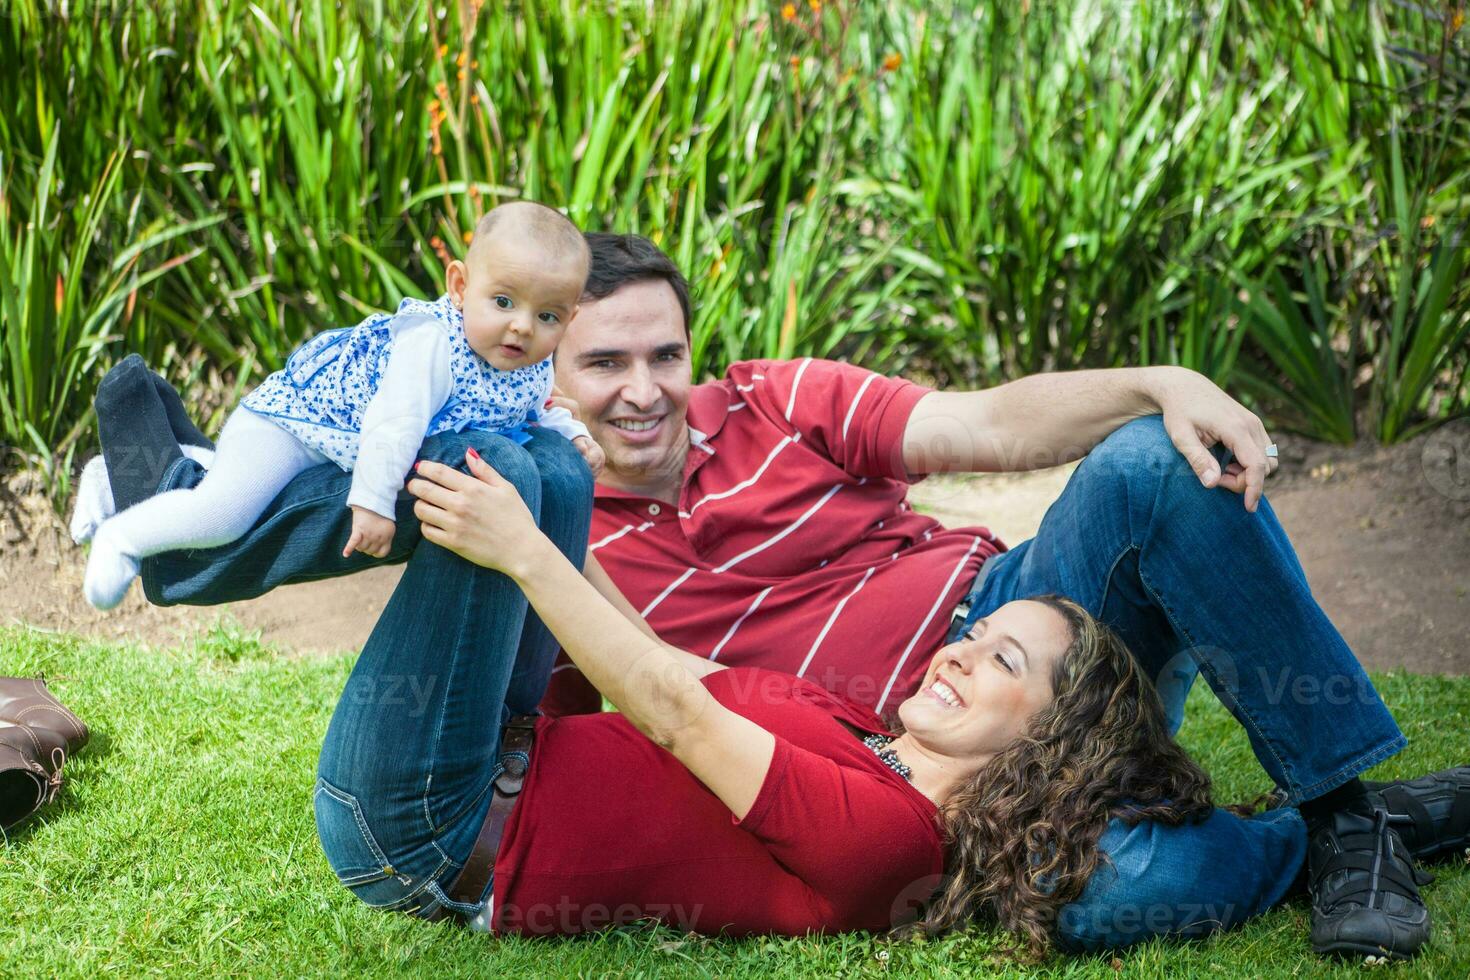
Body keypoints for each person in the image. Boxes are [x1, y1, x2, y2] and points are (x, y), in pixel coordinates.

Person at [80, 235, 1469, 960]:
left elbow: (985, 424)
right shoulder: (564, 520)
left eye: (663, 354)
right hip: (886, 752)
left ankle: (1345, 812)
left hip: (1025, 636)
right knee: (1094, 893)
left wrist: (1159, 383)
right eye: (599, 361)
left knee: (1140, 465)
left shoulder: (774, 403)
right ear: (544, 365)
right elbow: (638, 707)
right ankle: (182, 508)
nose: (640, 390)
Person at [323, 441, 1222, 956]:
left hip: (426, 825)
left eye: (1003, 661)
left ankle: (196, 508)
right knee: (555, 469)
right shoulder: (856, 728)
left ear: (1050, 739)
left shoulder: (892, 838)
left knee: (493, 477)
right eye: (975, 634)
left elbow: (673, 714)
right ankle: (203, 487)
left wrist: (524, 550)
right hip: (494, 741)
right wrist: (559, 536)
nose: (959, 652)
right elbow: (653, 658)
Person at [76, 201, 603, 610]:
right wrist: (372, 503)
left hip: (340, 443)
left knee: (255, 491)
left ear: (569, 319)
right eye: (504, 302)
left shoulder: (528, 359)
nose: (522, 326)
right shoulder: (434, 346)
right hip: (295, 425)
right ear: (460, 286)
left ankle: (130, 471)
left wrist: (574, 433)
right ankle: (121, 537)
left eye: (548, 316)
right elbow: (393, 426)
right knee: (227, 514)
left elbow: (534, 405)